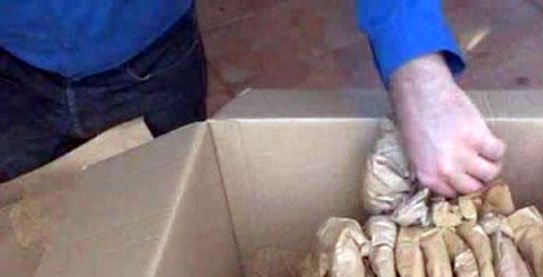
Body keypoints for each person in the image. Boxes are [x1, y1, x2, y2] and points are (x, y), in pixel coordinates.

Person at [0, 1, 504, 194]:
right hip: (10, 70)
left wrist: (418, 74)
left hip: (151, 59)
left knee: (157, 216)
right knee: (26, 237)